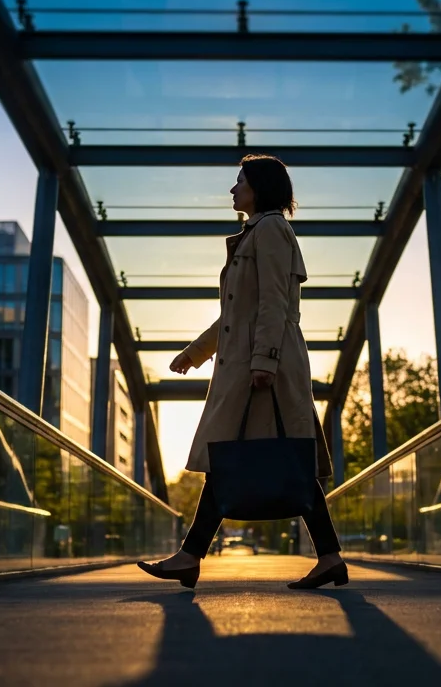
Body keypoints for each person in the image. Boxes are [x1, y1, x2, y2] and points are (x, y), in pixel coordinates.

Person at [136, 155, 348, 591]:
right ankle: (327, 558)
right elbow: (237, 314)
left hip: (264, 367)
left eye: (240, 182)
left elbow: (273, 301)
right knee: (267, 459)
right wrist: (195, 353)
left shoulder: (270, 229)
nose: (233, 190)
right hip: (256, 362)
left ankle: (189, 556)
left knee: (240, 457)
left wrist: (265, 361)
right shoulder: (258, 232)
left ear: (260, 188)